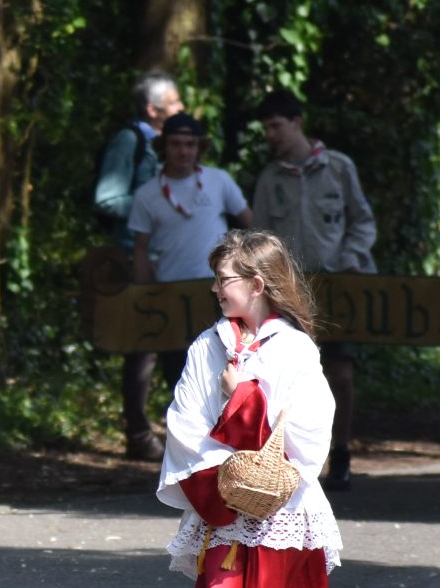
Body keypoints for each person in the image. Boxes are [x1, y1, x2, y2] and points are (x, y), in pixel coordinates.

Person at [156, 229, 342, 588]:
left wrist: (245, 401)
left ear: (257, 284)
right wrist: (225, 469)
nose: (216, 288)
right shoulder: (207, 346)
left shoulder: (296, 349)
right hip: (225, 498)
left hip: (280, 502)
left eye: (225, 279)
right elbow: (184, 420)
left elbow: (311, 426)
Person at [250, 88, 376, 487]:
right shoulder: (270, 179)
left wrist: (352, 258)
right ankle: (290, 459)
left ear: (297, 122)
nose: (271, 134)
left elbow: (361, 220)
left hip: (335, 286)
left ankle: (341, 453)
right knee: (285, 375)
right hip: (287, 292)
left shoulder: (338, 168)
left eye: (276, 125)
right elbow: (259, 235)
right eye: (265, 128)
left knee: (340, 372)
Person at [96, 72, 186, 460]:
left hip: (172, 260)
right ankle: (138, 435)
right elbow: (106, 199)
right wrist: (151, 206)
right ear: (153, 110)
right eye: (175, 103)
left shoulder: (167, 146)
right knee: (143, 347)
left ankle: (180, 433)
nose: (182, 108)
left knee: (177, 345)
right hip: (138, 260)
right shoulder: (129, 142)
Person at [127, 112, 250, 285]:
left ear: (199, 148)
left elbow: (251, 225)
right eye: (175, 144)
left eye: (190, 145)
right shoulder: (145, 194)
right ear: (164, 147)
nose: (183, 151)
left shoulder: (220, 180)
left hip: (221, 287)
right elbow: (140, 248)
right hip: (170, 289)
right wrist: (143, 294)